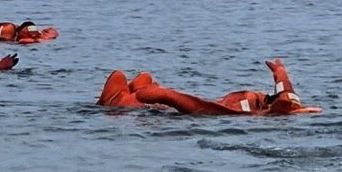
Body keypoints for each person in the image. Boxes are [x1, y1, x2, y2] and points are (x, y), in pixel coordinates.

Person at [98, 58, 320, 115]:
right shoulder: (271, 107)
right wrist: (281, 74)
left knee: (130, 85)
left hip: (144, 109)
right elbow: (286, 98)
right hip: (158, 107)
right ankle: (133, 96)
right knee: (143, 80)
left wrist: (166, 96)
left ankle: (118, 101)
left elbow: (203, 110)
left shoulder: (244, 116)